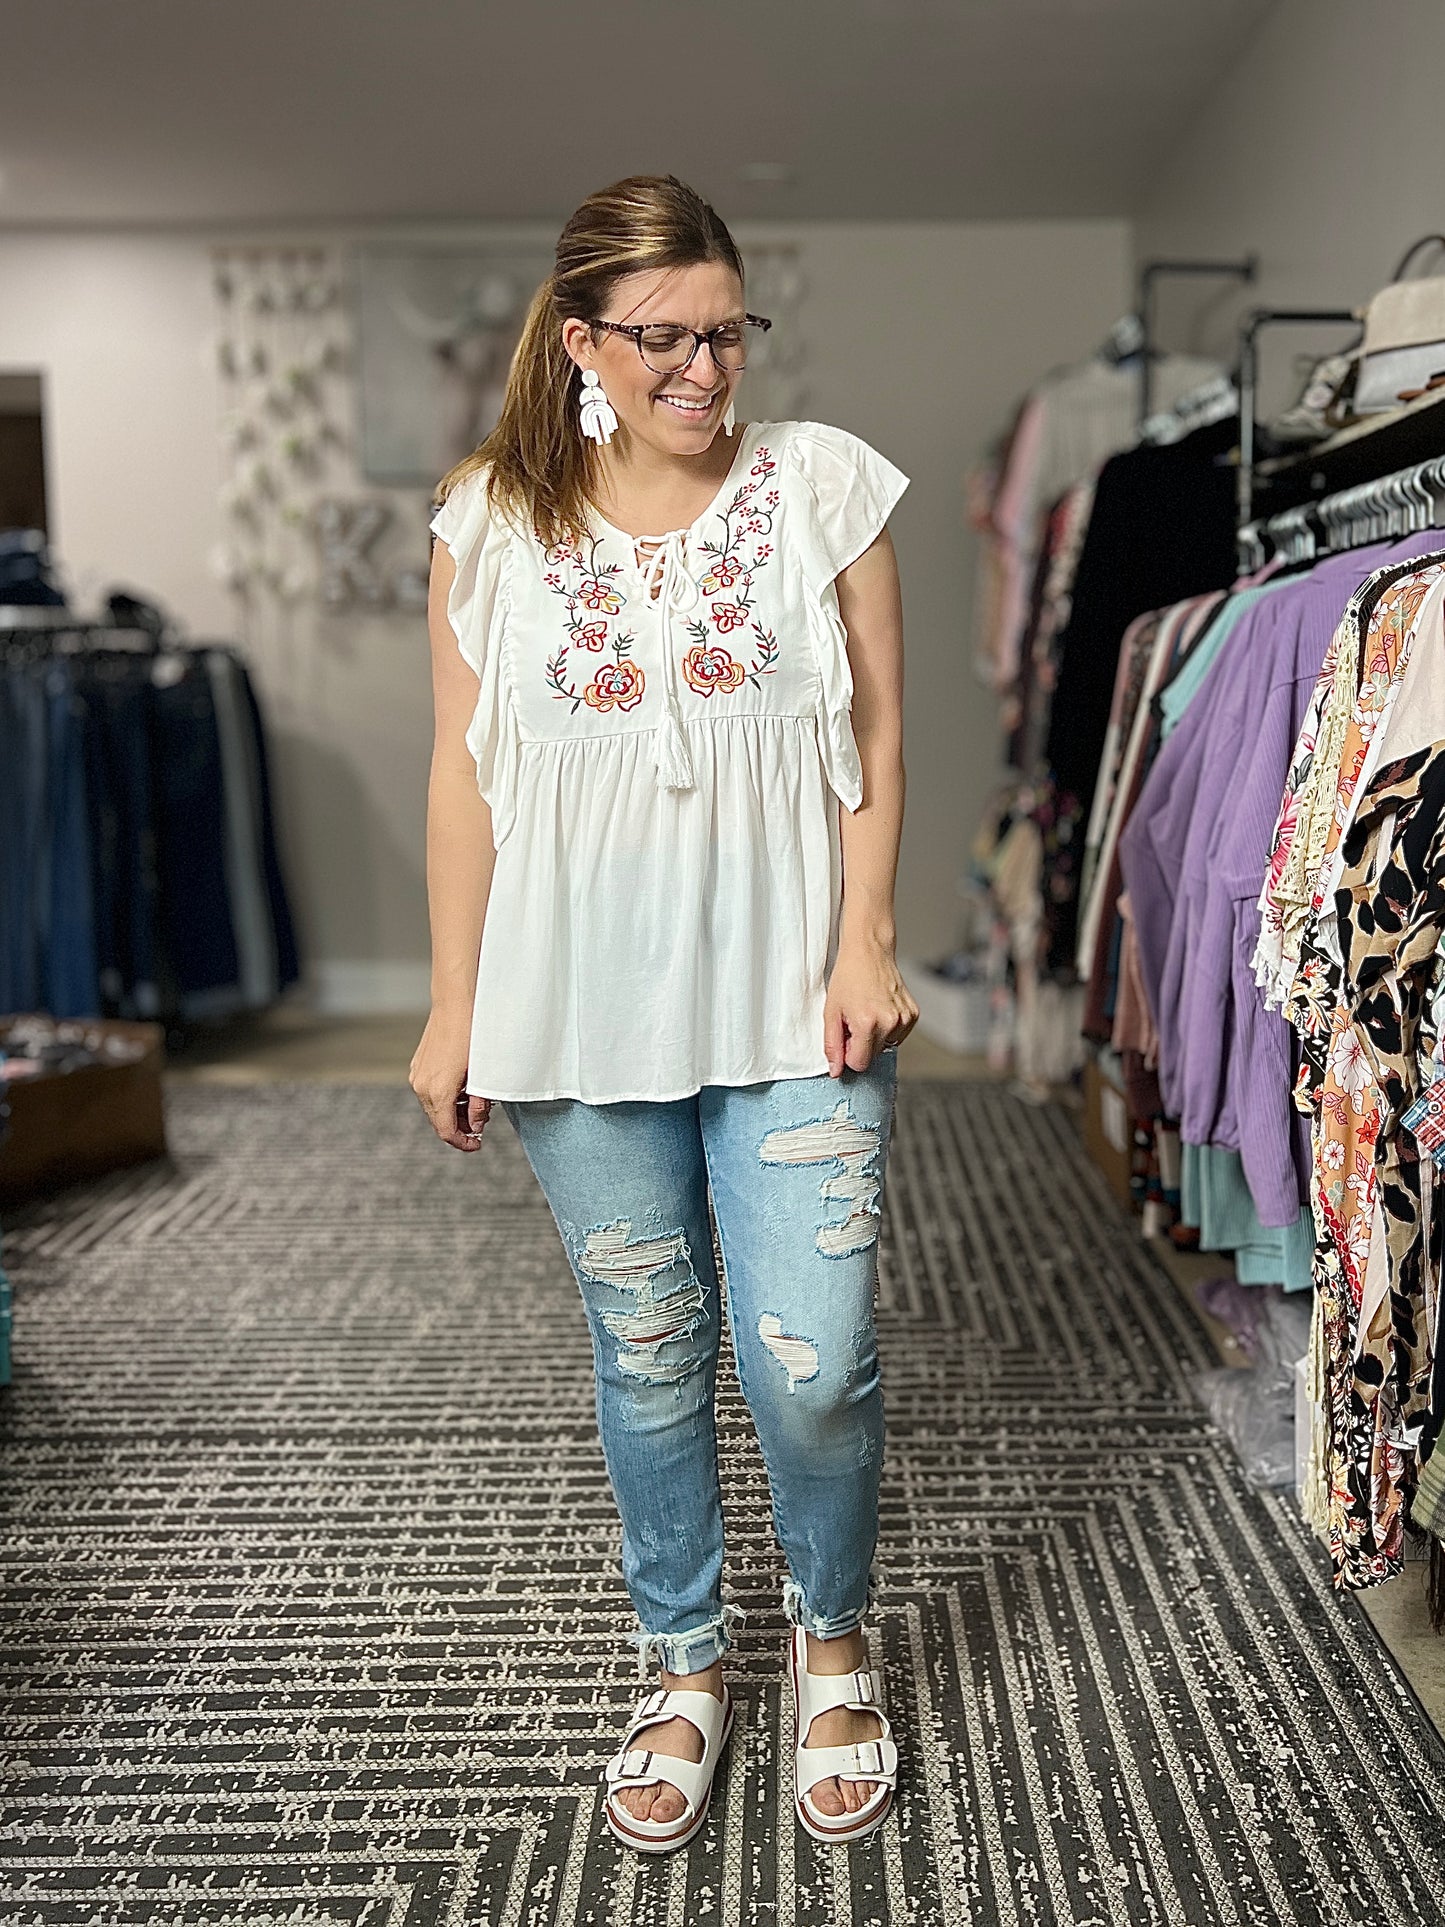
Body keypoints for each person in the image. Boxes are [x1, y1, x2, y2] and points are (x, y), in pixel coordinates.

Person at [409, 173, 917, 1856]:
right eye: (666, 339)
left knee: (815, 1363)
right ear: (580, 343)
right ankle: (685, 1661)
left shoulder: (821, 486)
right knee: (647, 1356)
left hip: (792, 1000)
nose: (706, 369)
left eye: (727, 330)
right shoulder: (484, 521)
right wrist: (448, 1005)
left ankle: (830, 1633)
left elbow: (880, 744)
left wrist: (866, 940)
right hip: (574, 1008)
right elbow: (464, 783)